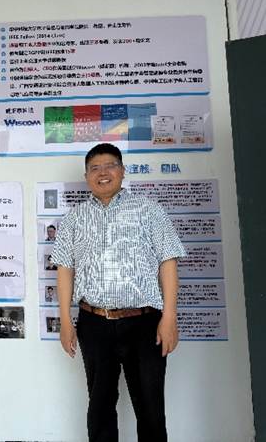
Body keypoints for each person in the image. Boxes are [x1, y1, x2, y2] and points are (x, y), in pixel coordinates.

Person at [51, 143, 185, 442]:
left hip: (145, 323)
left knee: (150, 407)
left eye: (110, 165)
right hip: (94, 323)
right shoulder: (74, 218)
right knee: (99, 408)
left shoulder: (149, 210)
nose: (103, 173)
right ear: (86, 176)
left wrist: (169, 317)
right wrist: (65, 321)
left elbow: (168, 261)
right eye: (95, 168)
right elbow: (64, 269)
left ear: (123, 171)